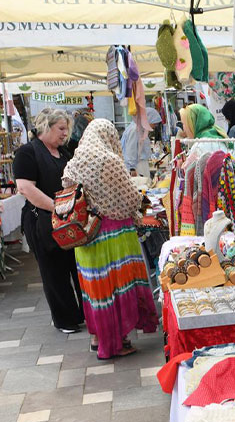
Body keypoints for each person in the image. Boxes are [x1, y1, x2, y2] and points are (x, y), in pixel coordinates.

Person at [62, 119, 159, 360]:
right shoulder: (110, 161)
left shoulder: (74, 162)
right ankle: (116, 343)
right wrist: (144, 204)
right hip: (113, 235)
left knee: (97, 291)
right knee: (117, 286)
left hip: (85, 237)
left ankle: (98, 338)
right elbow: (129, 199)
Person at [14, 108, 84, 334]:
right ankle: (65, 319)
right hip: (42, 220)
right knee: (54, 271)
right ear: (46, 126)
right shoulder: (27, 152)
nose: (65, 134)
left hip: (67, 219)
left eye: (67, 129)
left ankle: (84, 313)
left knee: (75, 266)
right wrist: (56, 208)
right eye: (61, 129)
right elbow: (25, 187)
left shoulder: (64, 152)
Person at [122, 107, 163, 177]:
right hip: (137, 165)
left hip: (140, 163)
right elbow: (131, 150)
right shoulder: (135, 129)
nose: (154, 126)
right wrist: (132, 168)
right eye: (154, 123)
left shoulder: (142, 129)